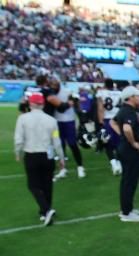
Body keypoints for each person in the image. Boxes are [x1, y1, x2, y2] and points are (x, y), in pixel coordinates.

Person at [14, 92, 66, 226]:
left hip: (31, 154)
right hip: (47, 155)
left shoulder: (23, 119)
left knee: (33, 185)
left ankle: (46, 210)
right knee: (47, 183)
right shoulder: (51, 120)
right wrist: (61, 157)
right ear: (42, 104)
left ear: (30, 104)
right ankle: (45, 211)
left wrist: (17, 152)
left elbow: (19, 139)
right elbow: (56, 141)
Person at [113, 86, 139, 223]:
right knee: (129, 181)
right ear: (130, 97)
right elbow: (127, 128)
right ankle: (126, 212)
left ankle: (128, 208)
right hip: (129, 150)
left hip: (125, 149)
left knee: (129, 180)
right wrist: (133, 143)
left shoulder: (125, 110)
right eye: (137, 96)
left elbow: (113, 122)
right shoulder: (128, 111)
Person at [43, 77, 85, 179]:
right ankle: (62, 169)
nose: (53, 87)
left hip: (69, 122)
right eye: (52, 85)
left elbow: (75, 103)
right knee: (59, 145)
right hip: (56, 123)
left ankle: (80, 167)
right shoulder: (49, 93)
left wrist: (81, 116)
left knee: (72, 144)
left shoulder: (67, 91)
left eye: (55, 85)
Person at [97, 78, 123, 176]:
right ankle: (120, 165)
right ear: (113, 85)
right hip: (117, 120)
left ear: (105, 84)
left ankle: (114, 164)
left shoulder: (101, 93)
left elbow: (100, 108)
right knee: (119, 143)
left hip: (107, 120)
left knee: (107, 143)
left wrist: (100, 122)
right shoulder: (119, 93)